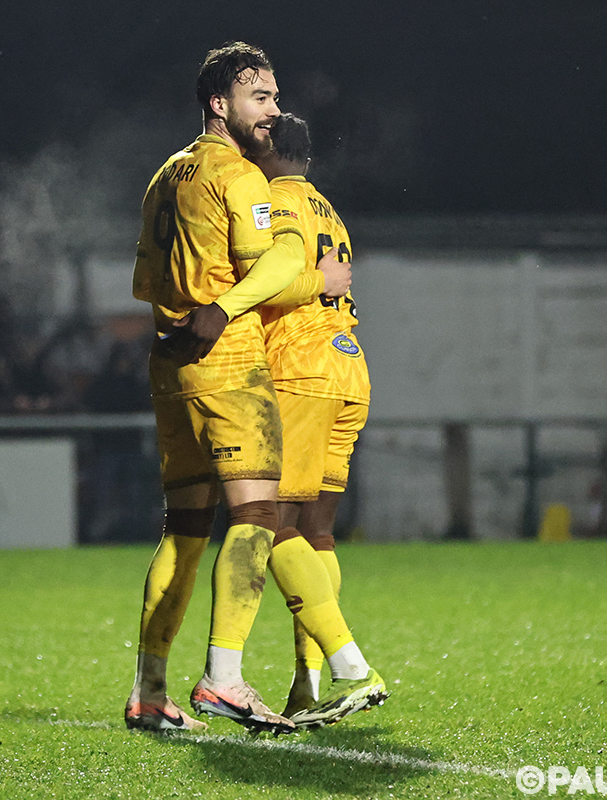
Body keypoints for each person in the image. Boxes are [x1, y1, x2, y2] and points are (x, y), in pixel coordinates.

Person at [124, 41, 355, 734]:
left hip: (171, 363)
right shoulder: (240, 175)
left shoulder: (165, 175)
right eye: (261, 97)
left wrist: (184, 316)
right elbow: (271, 270)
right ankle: (224, 680)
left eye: (276, 97)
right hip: (228, 362)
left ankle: (150, 691)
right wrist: (303, 281)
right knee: (257, 516)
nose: (274, 110)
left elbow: (145, 282)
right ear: (219, 104)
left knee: (184, 530)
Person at [250, 113, 387, 727]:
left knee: (270, 524)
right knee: (318, 531)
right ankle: (306, 682)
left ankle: (351, 667)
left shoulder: (276, 204)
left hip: (301, 369)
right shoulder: (329, 209)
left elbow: (274, 284)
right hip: (348, 365)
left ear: (269, 148)